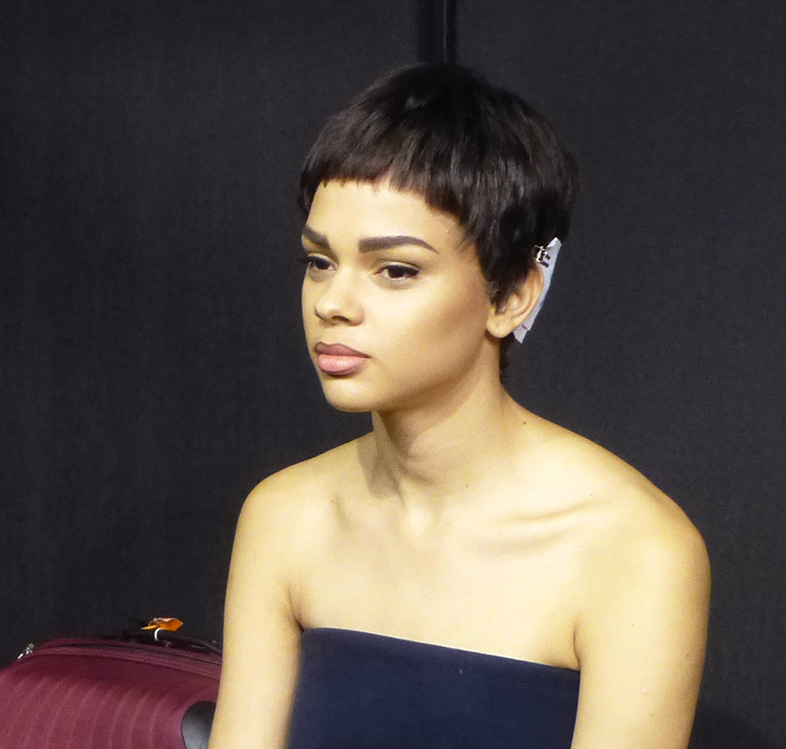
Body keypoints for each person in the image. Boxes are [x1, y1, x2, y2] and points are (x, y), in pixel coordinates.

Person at [209, 63, 710, 749]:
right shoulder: (285, 517)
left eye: (396, 270)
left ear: (513, 295)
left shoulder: (632, 549)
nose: (333, 303)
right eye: (319, 262)